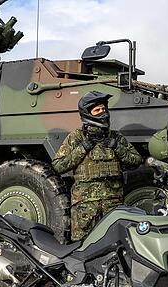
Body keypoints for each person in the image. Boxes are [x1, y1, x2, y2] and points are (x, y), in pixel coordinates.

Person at [52, 91, 142, 241]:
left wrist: (116, 146)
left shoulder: (115, 137)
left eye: (104, 109)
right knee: (82, 247)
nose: (103, 113)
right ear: (88, 114)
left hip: (113, 204)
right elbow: (58, 166)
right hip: (85, 207)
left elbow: (136, 161)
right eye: (98, 110)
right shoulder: (77, 137)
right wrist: (83, 148)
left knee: (115, 244)